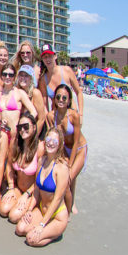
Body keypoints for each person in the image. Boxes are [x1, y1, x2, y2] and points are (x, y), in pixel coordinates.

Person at [15, 127, 70, 246]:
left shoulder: (62, 168)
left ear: (60, 144)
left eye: (55, 141)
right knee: (20, 229)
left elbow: (57, 199)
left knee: (31, 239)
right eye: (48, 139)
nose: (50, 143)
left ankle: (55, 233)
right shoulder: (41, 160)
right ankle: (45, 227)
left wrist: (41, 224)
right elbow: (36, 189)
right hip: (42, 210)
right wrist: (29, 210)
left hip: (57, 216)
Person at [47, 84, 87, 215]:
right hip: (64, 149)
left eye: (64, 98)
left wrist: (70, 163)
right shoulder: (51, 116)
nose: (61, 100)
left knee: (69, 178)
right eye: (58, 97)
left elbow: (75, 142)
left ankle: (68, 211)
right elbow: (52, 137)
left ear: (69, 100)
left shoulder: (74, 116)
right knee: (65, 179)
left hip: (79, 149)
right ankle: (67, 203)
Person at [0, 112, 42, 223]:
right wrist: (11, 188)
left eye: (26, 126)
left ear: (34, 127)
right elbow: (9, 165)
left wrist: (27, 194)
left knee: (13, 217)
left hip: (33, 192)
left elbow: (40, 178)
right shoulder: (16, 143)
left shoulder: (40, 148)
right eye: (20, 127)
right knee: (3, 210)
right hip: (18, 188)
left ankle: (35, 208)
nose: (22, 130)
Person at [39, 43, 84, 119]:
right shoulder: (43, 79)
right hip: (56, 118)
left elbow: (79, 92)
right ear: (42, 59)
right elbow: (45, 104)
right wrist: (48, 120)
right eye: (45, 57)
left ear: (55, 56)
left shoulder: (67, 71)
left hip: (71, 115)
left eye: (50, 56)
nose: (47, 59)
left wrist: (81, 114)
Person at [0, 63, 37, 136]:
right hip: (2, 134)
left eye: (10, 75)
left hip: (16, 134)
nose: (7, 77)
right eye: (5, 74)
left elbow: (33, 112)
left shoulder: (20, 93)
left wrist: (24, 124)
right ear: (1, 76)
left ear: (14, 77)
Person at [16, 65, 47, 135]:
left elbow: (41, 119)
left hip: (37, 132)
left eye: (26, 76)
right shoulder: (16, 93)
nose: (23, 78)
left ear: (31, 78)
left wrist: (33, 137)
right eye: (21, 75)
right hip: (22, 132)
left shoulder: (35, 93)